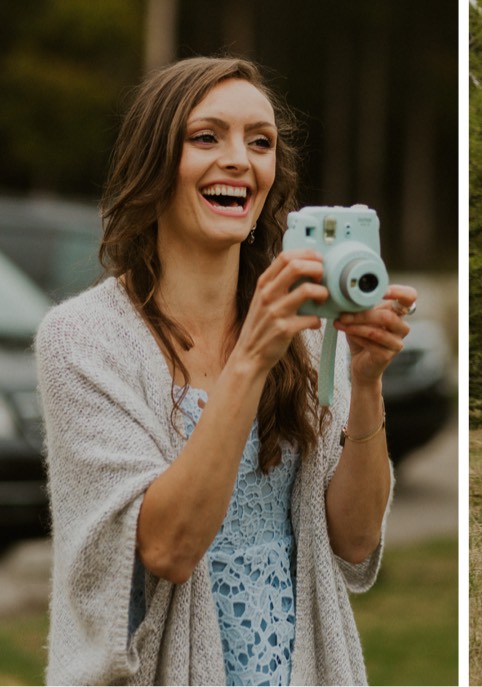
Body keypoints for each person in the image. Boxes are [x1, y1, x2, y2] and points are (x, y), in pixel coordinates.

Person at [35, 57, 417, 685]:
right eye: (207, 137)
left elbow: (352, 542)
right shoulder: (82, 340)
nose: (240, 159)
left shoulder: (308, 332)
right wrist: (252, 357)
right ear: (155, 160)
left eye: (260, 142)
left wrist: (368, 382)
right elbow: (167, 549)